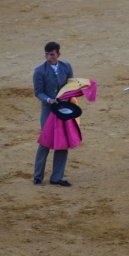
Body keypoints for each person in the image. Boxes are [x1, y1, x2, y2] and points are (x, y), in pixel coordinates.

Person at [33, 41, 74, 186]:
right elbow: (38, 92)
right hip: (48, 111)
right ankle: (38, 176)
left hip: (63, 110)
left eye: (51, 54)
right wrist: (48, 99)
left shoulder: (66, 67)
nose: (48, 57)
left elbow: (71, 86)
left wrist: (67, 99)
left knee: (63, 142)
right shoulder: (39, 71)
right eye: (47, 54)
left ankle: (56, 177)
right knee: (45, 142)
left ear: (58, 54)